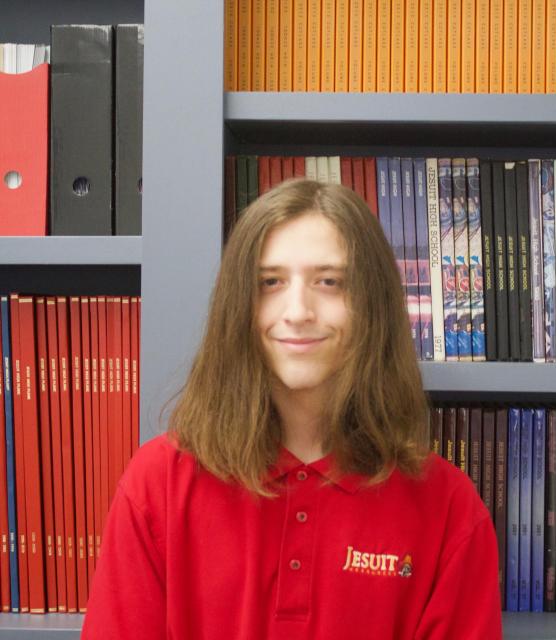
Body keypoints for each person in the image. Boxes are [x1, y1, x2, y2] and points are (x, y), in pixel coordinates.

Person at [82, 179, 502, 639]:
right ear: (238, 305)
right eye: (270, 282)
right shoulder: (158, 482)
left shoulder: (448, 508)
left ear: (372, 307)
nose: (297, 310)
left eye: (329, 282)